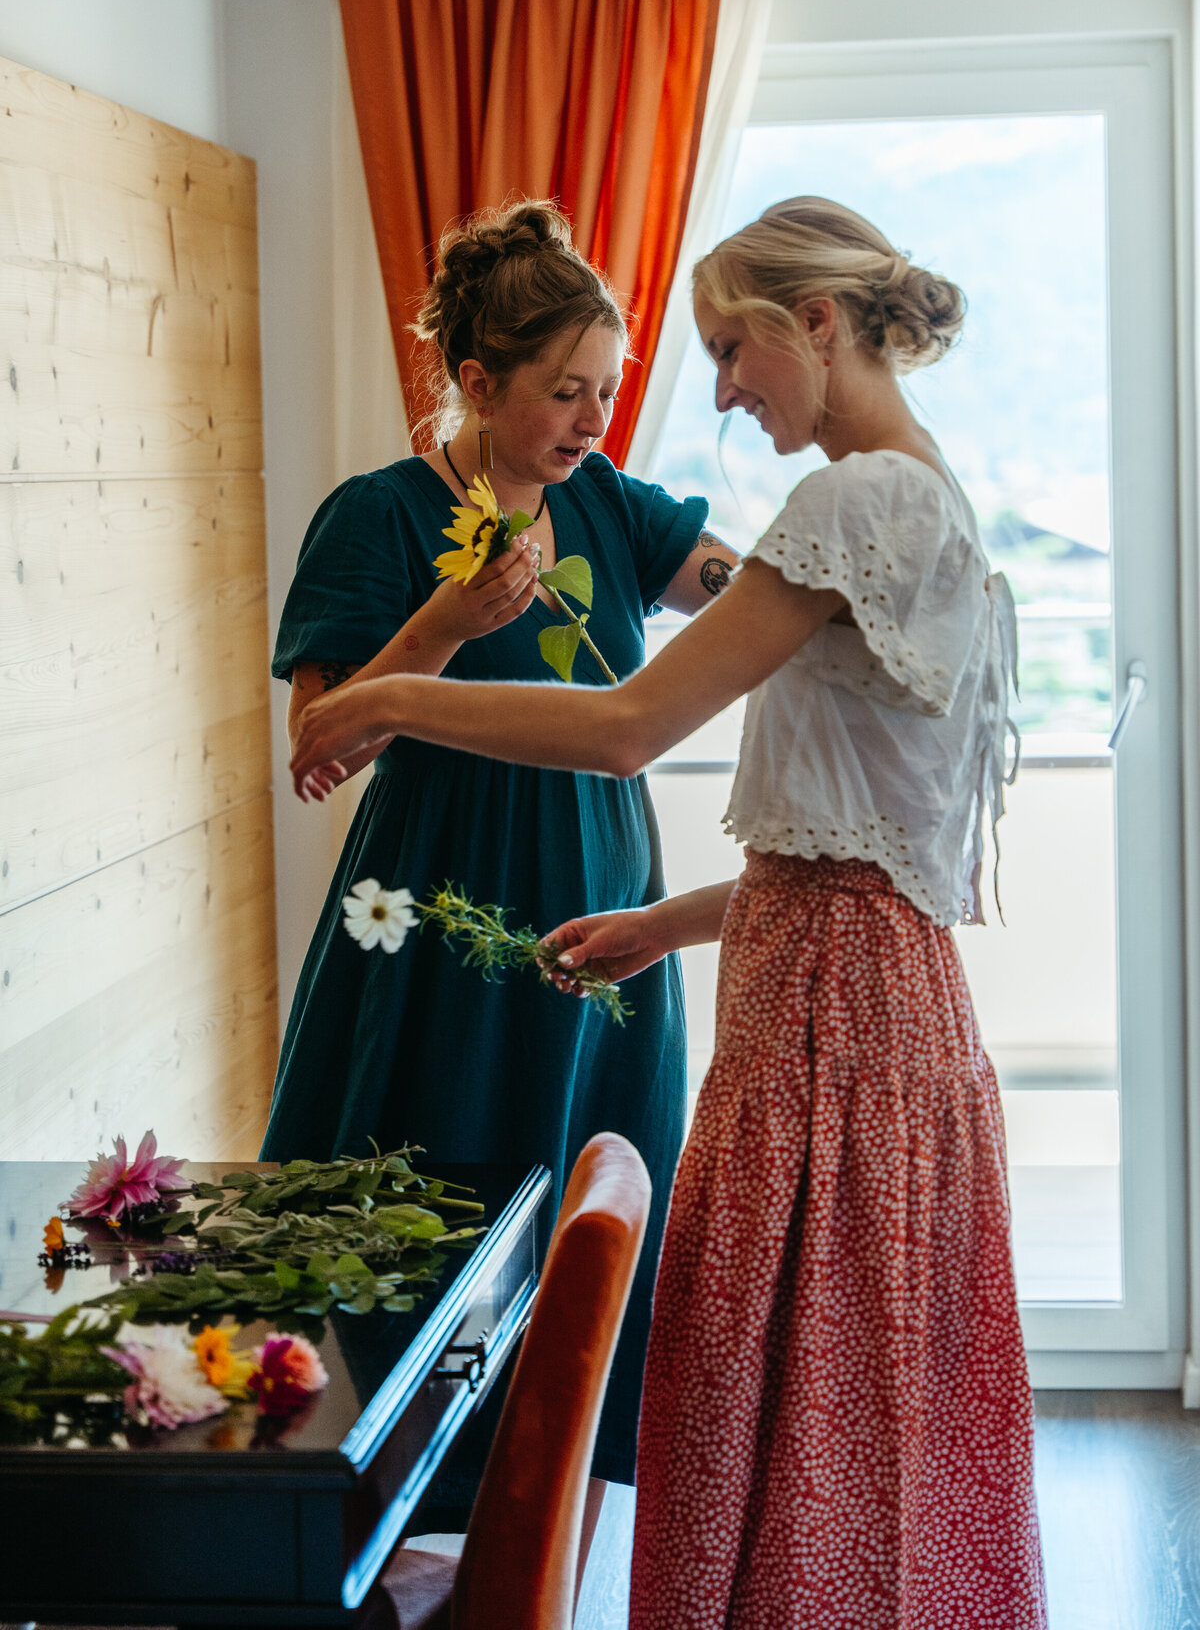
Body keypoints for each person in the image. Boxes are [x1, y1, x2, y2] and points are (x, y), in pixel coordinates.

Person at [288, 196, 1047, 1629]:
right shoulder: (927, 498)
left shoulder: (848, 505)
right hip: (853, 984)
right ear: (478, 382)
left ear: (813, 322)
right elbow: (864, 858)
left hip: (826, 1014)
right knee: (848, 1398)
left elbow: (636, 720)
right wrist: (664, 925)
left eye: (722, 351)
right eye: (573, 386)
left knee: (798, 1393)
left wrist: (387, 694)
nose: (713, 395)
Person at [263, 199, 739, 1503]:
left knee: (593, 1161)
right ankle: (391, 1489)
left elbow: (732, 589)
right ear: (478, 382)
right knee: (430, 1163)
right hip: (437, 886)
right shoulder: (375, 519)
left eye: (608, 390)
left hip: (600, 879)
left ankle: (557, 1479)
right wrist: (450, 620)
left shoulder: (615, 509)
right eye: (565, 393)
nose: (594, 422)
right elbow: (323, 738)